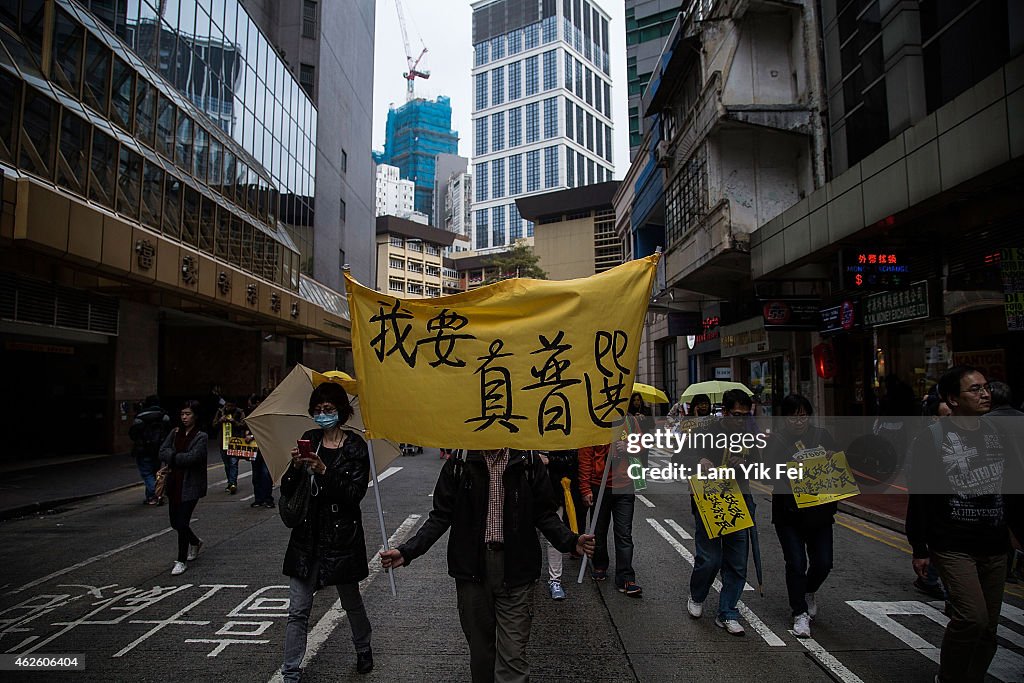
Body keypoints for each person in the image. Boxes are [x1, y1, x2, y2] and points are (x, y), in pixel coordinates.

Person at [379, 448, 595, 683]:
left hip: (518, 570)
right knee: (481, 656)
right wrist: (407, 551)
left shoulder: (528, 460)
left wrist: (572, 542)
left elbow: (545, 514)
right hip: (472, 571)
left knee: (513, 659)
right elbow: (440, 515)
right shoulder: (460, 461)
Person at [906, 365, 1024, 683]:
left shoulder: (998, 434)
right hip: (953, 543)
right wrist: (919, 547)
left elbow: (1012, 488)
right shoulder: (934, 438)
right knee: (972, 617)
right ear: (952, 399)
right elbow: (920, 497)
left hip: (995, 545)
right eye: (974, 389)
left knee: (988, 628)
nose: (984, 394)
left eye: (986, 387)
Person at [281, 381, 374, 679]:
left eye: (329, 409)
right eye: (318, 410)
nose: (323, 415)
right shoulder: (310, 439)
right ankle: (291, 671)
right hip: (308, 537)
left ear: (342, 412)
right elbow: (286, 489)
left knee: (351, 601)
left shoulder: (356, 446)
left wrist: (324, 471)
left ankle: (363, 648)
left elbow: (354, 493)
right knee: (297, 609)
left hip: (342, 537)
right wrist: (295, 467)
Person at [682, 389, 758, 636]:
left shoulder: (749, 437)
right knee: (710, 558)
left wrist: (745, 464)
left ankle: (727, 612)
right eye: (736, 415)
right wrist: (700, 461)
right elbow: (680, 459)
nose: (740, 420)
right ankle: (697, 595)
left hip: (738, 502)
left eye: (745, 416)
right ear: (724, 411)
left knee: (736, 562)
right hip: (709, 502)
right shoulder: (705, 432)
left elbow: (761, 466)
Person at [764, 394, 837, 638]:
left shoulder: (821, 436)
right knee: (796, 563)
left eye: (803, 415)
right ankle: (799, 613)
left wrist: (829, 459)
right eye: (793, 417)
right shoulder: (776, 440)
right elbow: (767, 475)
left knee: (823, 562)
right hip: (788, 513)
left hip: (819, 512)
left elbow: (838, 464)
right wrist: (790, 469)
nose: (799, 421)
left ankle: (808, 590)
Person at [579, 439, 643, 597]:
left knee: (624, 533)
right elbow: (585, 457)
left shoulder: (629, 422)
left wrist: (630, 447)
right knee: (599, 531)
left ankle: (626, 577)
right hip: (599, 486)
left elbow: (643, 445)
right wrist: (585, 488)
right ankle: (600, 565)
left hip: (625, 487)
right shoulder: (593, 424)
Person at [158, 401, 208, 576]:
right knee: (174, 522)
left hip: (191, 484)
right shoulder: (175, 432)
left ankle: (181, 560)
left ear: (195, 416)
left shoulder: (201, 436)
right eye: (182, 414)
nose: (185, 417)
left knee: (182, 522)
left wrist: (173, 457)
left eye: (188, 414)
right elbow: (162, 451)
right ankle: (195, 541)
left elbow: (194, 458)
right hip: (174, 483)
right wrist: (176, 457)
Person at [539, 449, 578, 600]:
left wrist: (550, 460)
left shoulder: (562, 435)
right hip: (529, 489)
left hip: (556, 491)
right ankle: (530, 574)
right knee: (528, 535)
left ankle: (555, 580)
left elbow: (571, 458)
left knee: (554, 537)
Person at [129, 395, 171, 505]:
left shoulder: (140, 417)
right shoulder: (164, 416)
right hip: (159, 449)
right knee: (154, 472)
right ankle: (151, 497)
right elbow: (169, 432)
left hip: (143, 449)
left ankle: (157, 493)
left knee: (147, 473)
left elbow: (133, 434)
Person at [245, 393, 275, 509]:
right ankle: (258, 499)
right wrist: (247, 435)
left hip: (267, 449)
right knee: (256, 475)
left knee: (266, 474)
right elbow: (246, 428)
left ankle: (268, 499)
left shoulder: (269, 416)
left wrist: (252, 436)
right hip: (254, 449)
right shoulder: (252, 415)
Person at [213, 398, 246, 494]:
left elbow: (244, 425)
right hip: (223, 442)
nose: (229, 407)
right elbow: (214, 425)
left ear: (235, 406)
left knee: (233, 463)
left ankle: (233, 483)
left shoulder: (240, 412)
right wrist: (220, 420)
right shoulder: (220, 412)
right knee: (227, 464)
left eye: (231, 406)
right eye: (227, 405)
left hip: (235, 442)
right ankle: (230, 482)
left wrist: (234, 421)